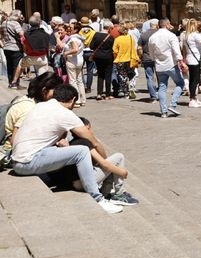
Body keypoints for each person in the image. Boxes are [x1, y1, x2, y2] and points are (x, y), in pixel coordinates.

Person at [11, 84, 123, 214]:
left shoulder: (41, 106)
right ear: (73, 99)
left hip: (19, 159)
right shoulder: (65, 113)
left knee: (68, 149)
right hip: (27, 162)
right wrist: (103, 162)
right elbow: (94, 142)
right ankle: (98, 199)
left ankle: (90, 185)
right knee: (81, 151)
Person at [48, 116, 139, 206]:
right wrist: (123, 172)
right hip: (81, 182)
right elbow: (104, 164)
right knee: (119, 157)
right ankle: (119, 194)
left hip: (76, 182)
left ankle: (106, 193)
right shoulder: (83, 142)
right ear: (87, 127)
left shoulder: (73, 142)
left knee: (111, 165)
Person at [148, 19, 187, 118]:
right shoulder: (171, 36)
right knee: (180, 83)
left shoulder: (152, 37)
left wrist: (155, 60)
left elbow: (151, 53)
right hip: (171, 64)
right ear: (167, 24)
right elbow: (176, 50)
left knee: (162, 87)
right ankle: (173, 104)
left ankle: (163, 111)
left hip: (159, 66)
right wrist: (181, 61)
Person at [182, 19, 201, 108]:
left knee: (193, 79)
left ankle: (194, 98)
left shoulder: (186, 35)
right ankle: (192, 99)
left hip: (190, 58)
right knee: (195, 80)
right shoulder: (195, 35)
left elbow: (184, 48)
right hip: (194, 59)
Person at [90, 20, 115, 100]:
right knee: (108, 75)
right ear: (109, 28)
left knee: (100, 75)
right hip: (108, 57)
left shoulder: (96, 35)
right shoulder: (110, 37)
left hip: (98, 57)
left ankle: (99, 94)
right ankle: (108, 94)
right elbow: (113, 48)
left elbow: (91, 46)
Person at [62, 22, 86, 107]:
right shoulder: (80, 38)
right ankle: (83, 99)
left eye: (70, 27)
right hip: (79, 60)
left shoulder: (73, 39)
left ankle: (77, 100)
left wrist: (66, 53)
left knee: (73, 81)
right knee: (79, 80)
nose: (69, 28)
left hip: (72, 60)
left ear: (75, 29)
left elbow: (75, 49)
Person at [137, 18, 159, 102]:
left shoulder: (143, 35)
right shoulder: (159, 33)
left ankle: (153, 96)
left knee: (150, 77)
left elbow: (139, 48)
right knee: (160, 77)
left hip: (147, 58)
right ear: (156, 25)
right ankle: (160, 94)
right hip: (157, 58)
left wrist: (141, 56)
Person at [111, 24, 135, 99]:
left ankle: (125, 92)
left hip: (120, 60)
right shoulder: (131, 38)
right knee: (130, 74)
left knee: (122, 76)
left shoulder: (117, 39)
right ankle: (131, 87)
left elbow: (114, 51)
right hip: (130, 59)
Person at [2, 9, 24, 89]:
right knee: (17, 65)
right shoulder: (16, 24)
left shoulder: (4, 23)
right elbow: (21, 35)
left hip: (6, 47)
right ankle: (15, 83)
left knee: (9, 65)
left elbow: (1, 32)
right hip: (16, 47)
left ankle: (10, 82)